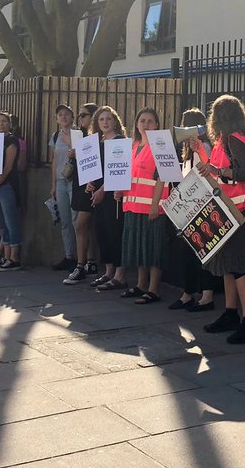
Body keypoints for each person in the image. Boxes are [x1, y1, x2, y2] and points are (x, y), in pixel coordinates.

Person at [198, 97, 245, 342]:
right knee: (228, 265)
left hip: (239, 211)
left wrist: (219, 171)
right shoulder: (226, 140)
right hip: (228, 209)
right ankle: (231, 313)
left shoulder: (234, 139)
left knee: (240, 266)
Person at [169, 109, 218, 313]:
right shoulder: (188, 151)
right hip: (190, 207)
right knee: (189, 254)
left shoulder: (203, 147)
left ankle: (207, 296)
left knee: (203, 253)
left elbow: (205, 172)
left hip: (202, 206)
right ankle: (188, 294)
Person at [118, 107, 168, 303]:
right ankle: (140, 285)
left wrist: (156, 204)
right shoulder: (134, 146)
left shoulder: (161, 146)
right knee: (140, 248)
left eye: (149, 121)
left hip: (152, 208)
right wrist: (119, 190)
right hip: (132, 207)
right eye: (142, 121)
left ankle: (154, 289)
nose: (145, 124)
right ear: (136, 125)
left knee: (154, 249)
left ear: (157, 125)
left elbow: (163, 178)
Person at [91, 106, 129, 291]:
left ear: (115, 121)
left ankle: (120, 275)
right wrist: (92, 184)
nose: (105, 122)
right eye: (101, 119)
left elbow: (118, 170)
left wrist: (102, 189)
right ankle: (108, 271)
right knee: (102, 233)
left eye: (108, 119)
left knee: (116, 234)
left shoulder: (120, 141)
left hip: (114, 196)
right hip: (99, 196)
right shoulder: (98, 143)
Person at [64, 103, 102, 284]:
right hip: (81, 182)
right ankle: (91, 262)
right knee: (87, 226)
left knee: (81, 224)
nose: (80, 119)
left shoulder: (100, 138)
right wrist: (73, 154)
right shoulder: (81, 136)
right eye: (79, 115)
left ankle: (81, 265)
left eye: (84, 115)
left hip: (93, 184)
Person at [0, 111, 24, 271]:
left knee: (11, 222)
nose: (1, 124)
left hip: (6, 185)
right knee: (3, 223)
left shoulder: (11, 140)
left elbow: (7, 168)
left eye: (4, 121)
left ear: (10, 124)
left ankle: (14, 258)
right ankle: (6, 256)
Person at [49, 103, 80, 272]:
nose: (63, 117)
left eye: (67, 114)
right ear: (57, 119)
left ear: (72, 117)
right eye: (60, 114)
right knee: (65, 221)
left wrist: (72, 144)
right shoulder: (55, 136)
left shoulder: (78, 134)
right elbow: (54, 160)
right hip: (61, 181)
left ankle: (81, 259)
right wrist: (53, 184)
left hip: (75, 180)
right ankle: (69, 256)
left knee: (76, 220)